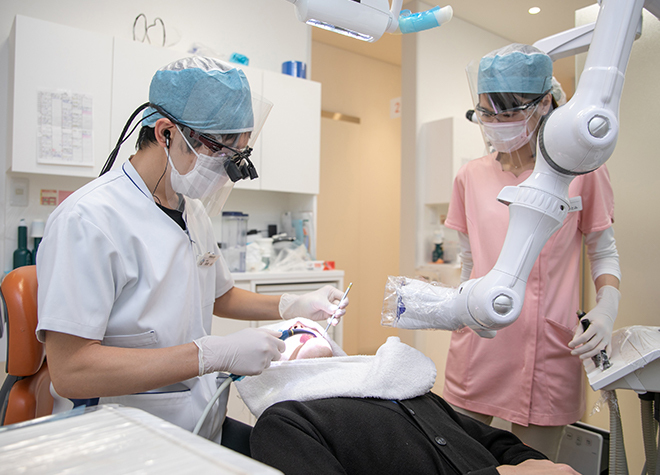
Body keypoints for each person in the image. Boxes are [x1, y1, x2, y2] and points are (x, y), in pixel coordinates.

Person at [35, 56, 348, 451]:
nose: (224, 170)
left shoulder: (191, 208)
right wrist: (211, 353)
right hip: (120, 440)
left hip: (198, 425)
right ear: (166, 133)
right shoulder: (88, 220)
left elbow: (219, 296)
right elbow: (70, 371)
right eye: (219, 153)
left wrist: (293, 304)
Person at [442, 44, 622, 460]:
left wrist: (607, 307)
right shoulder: (470, 176)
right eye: (487, 113)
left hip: (547, 353)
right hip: (479, 346)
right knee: (457, 462)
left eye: (507, 113)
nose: (496, 124)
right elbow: (470, 264)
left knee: (533, 468)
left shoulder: (583, 171)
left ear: (544, 104)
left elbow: (604, 252)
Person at [236, 319, 579, 474]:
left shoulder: (400, 388)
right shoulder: (284, 422)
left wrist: (539, 464)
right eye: (288, 334)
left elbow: (492, 439)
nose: (302, 326)